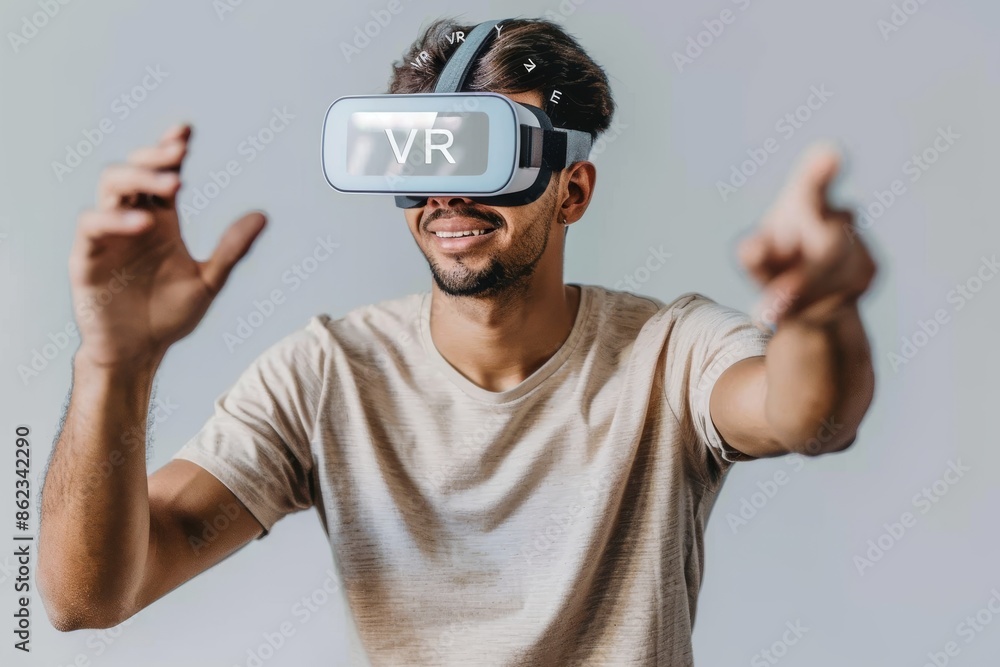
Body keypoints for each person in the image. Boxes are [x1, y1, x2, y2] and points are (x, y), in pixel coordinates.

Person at [38, 17, 876, 666]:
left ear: (572, 188)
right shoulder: (328, 373)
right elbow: (87, 597)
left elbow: (807, 415)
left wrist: (821, 308)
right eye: (419, 154)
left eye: (489, 156)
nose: (446, 192)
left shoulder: (669, 352)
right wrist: (116, 363)